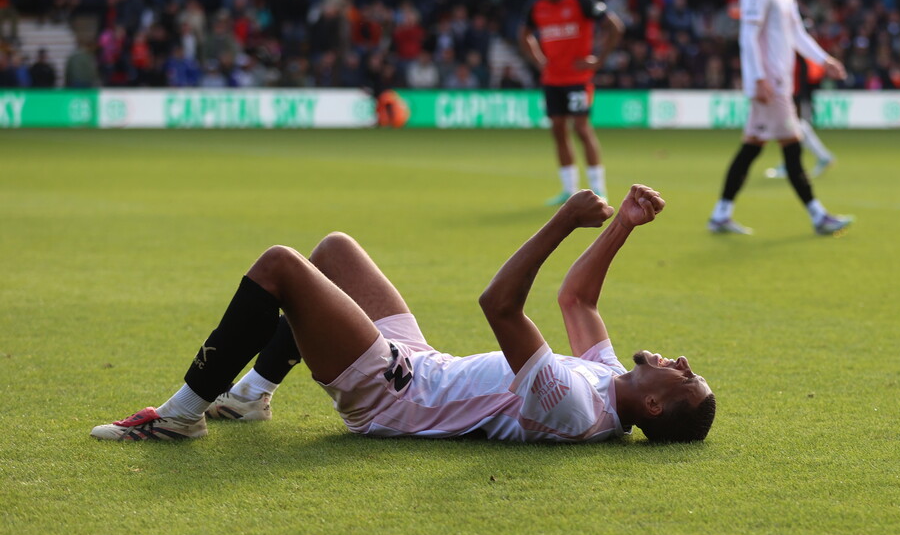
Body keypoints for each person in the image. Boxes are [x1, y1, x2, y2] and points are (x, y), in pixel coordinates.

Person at [91, 185, 715, 444]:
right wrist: (624, 225)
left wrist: (560, 221)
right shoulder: (606, 379)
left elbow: (498, 305)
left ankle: (179, 418)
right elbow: (577, 300)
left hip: (395, 397)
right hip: (422, 367)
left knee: (281, 265)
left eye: (686, 376)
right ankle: (253, 393)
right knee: (335, 250)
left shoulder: (576, 408)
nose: (684, 362)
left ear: (655, 408)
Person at [707, 0, 852, 236]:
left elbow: (797, 33)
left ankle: (721, 214)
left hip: (778, 83)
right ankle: (818, 216)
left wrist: (824, 60)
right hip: (770, 85)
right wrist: (758, 78)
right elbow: (748, 38)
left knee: (751, 148)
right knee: (792, 147)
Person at [519, 0, 624, 206]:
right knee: (558, 130)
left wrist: (598, 60)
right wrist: (538, 60)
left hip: (578, 79)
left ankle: (598, 189)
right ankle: (569, 190)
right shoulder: (537, 6)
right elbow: (523, 34)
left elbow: (615, 26)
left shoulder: (581, 0)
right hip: (552, 79)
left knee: (581, 128)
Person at [764, 55, 836, 180]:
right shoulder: (794, 52)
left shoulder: (794, 53)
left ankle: (791, 163)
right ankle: (821, 157)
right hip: (793, 94)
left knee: (789, 128)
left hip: (792, 95)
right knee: (796, 127)